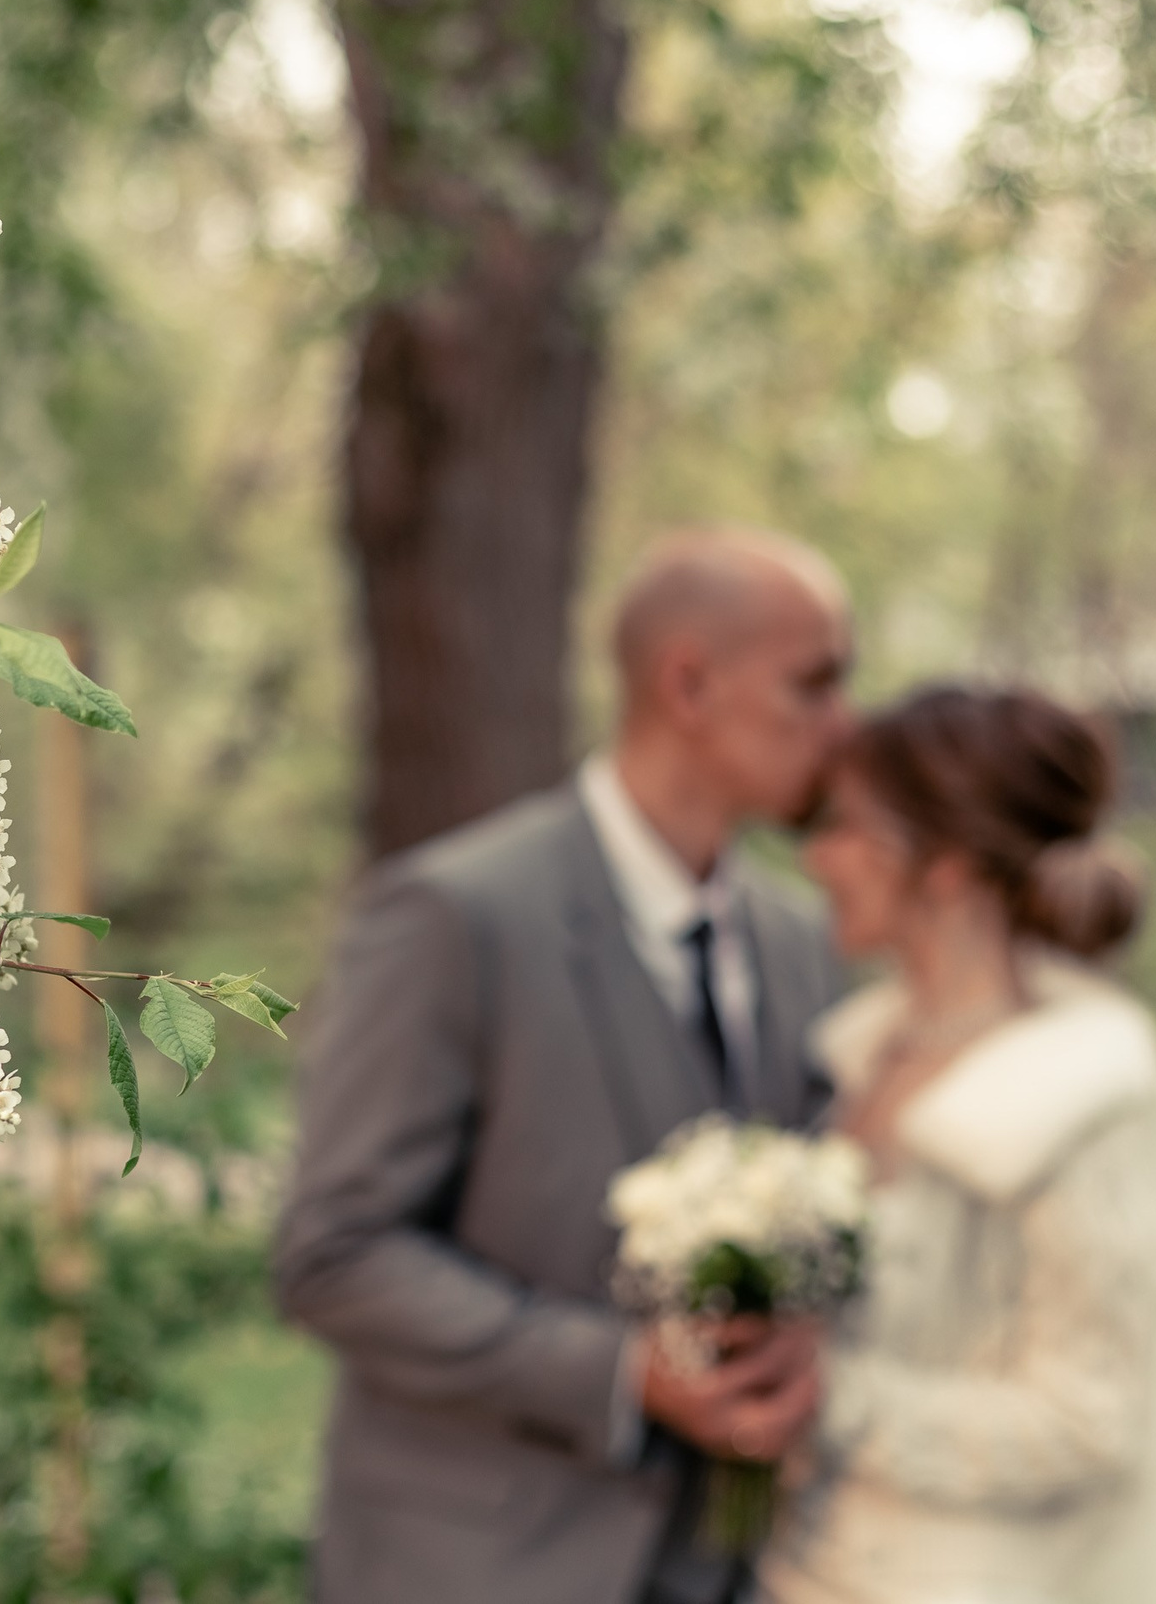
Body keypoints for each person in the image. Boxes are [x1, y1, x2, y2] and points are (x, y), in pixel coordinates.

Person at [273, 527, 854, 1604]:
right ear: (689, 681)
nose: (842, 726)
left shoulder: (807, 943)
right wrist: (623, 1374)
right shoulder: (454, 916)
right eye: (812, 686)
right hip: (478, 1567)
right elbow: (335, 1252)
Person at [767, 686, 1156, 1604]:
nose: (817, 857)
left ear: (946, 865)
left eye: (849, 826)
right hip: (819, 1565)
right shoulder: (857, 1052)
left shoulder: (1078, 1091)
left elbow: (1084, 1419)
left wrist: (830, 1398)